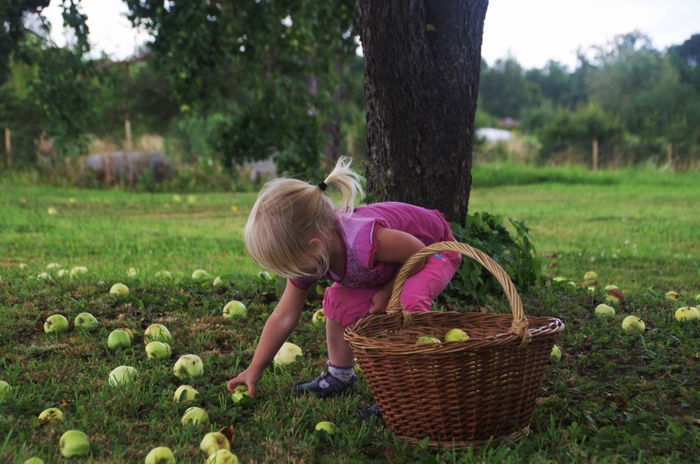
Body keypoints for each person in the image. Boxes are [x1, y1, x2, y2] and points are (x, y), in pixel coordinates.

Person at [226, 157, 461, 409]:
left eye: (290, 267)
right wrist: (254, 370)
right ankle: (340, 376)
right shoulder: (315, 251)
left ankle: (415, 390)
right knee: (337, 302)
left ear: (313, 249)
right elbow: (284, 316)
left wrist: (387, 291)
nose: (292, 276)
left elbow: (417, 253)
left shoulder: (362, 241)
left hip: (433, 249)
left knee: (408, 301)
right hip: (394, 264)